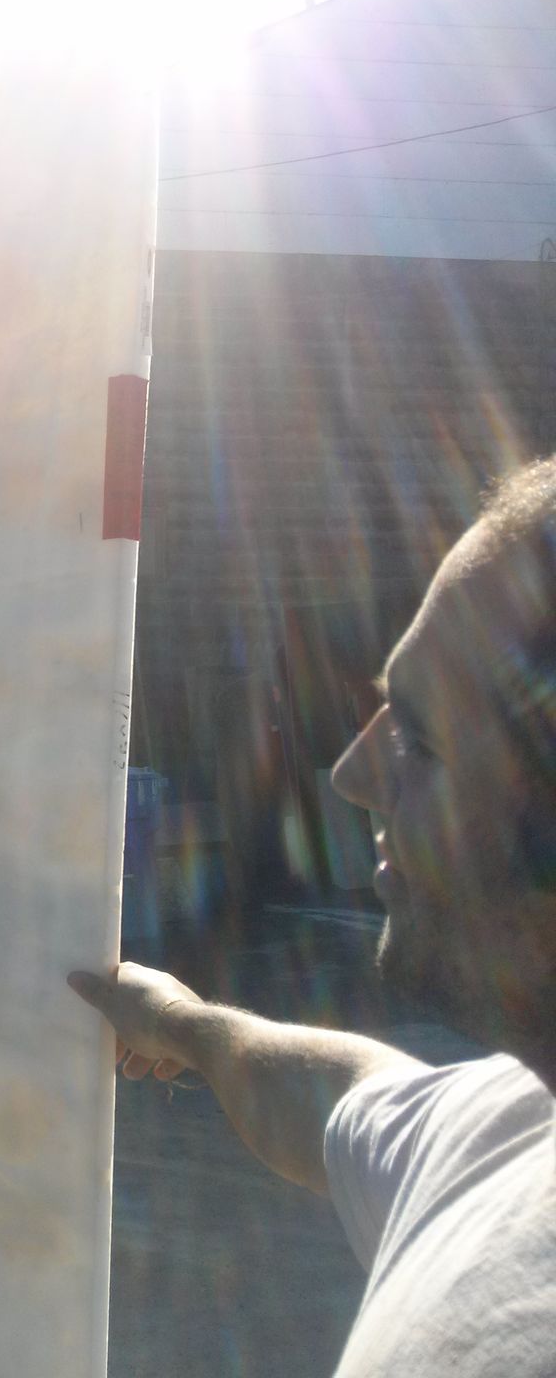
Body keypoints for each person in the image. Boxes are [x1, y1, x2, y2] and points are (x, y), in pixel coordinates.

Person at [70, 458, 556, 1375]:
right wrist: (181, 1021)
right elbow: (339, 1091)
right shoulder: (497, 1132)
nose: (352, 775)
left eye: (420, 739)